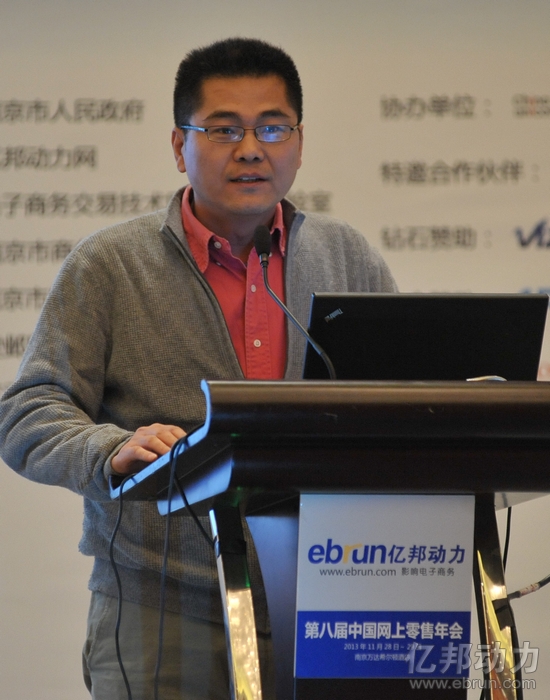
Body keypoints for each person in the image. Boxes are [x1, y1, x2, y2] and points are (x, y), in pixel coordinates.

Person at [0, 38, 397, 700]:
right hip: (163, 603)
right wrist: (109, 450)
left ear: (300, 142)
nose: (252, 149)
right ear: (179, 146)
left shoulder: (346, 257)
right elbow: (27, 412)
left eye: (273, 128)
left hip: (330, 592)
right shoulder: (110, 265)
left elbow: (401, 399)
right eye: (224, 129)